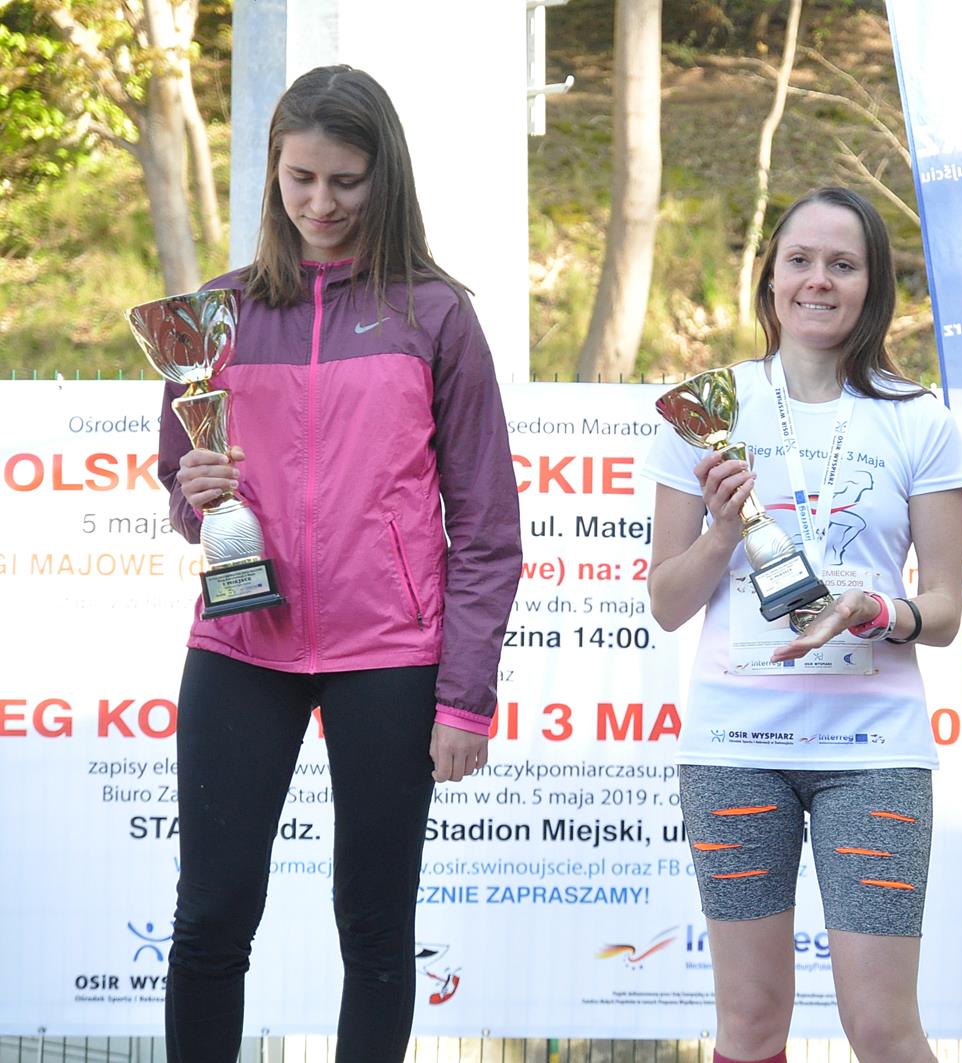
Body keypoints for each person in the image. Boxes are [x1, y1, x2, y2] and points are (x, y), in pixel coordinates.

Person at [155, 66, 521, 1061]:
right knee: (210, 917)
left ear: (383, 175)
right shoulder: (215, 314)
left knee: (374, 924)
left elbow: (487, 527)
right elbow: (184, 494)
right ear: (274, 170)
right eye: (301, 178)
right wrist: (195, 489)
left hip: (390, 654)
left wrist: (465, 698)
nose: (320, 203)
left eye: (346, 181)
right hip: (241, 642)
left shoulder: (436, 314)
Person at [642, 187, 962, 1063]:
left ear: (873, 285)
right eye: (800, 260)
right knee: (750, 1023)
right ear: (771, 277)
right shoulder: (706, 409)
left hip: (873, 753)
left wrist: (879, 610)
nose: (818, 280)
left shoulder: (919, 419)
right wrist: (722, 532)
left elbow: (943, 609)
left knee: (882, 1026)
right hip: (735, 748)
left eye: (843, 263)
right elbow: (667, 601)